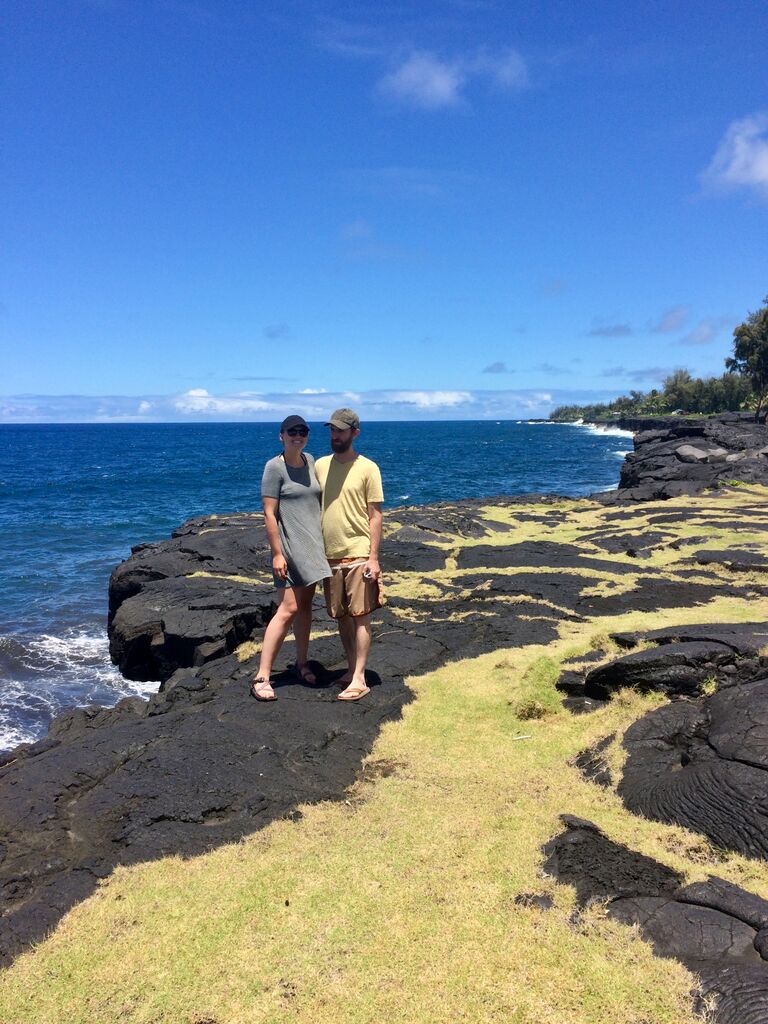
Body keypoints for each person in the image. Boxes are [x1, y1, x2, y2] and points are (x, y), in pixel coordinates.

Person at [250, 414, 330, 701]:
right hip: (289, 547)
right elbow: (269, 513)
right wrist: (276, 554)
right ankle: (262, 676)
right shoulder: (275, 467)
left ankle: (301, 662)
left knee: (306, 607)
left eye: (303, 431)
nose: (298, 435)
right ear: (281, 435)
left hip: (312, 546)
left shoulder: (310, 461)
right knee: (287, 609)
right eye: (292, 431)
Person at [314, 408, 384, 702]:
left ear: (355, 433)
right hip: (329, 555)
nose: (335, 436)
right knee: (340, 615)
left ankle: (360, 678)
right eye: (332, 430)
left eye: (341, 431)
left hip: (358, 553)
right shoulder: (319, 466)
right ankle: (351, 668)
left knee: (361, 615)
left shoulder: (368, 468)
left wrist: (374, 558)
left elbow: (375, 516)